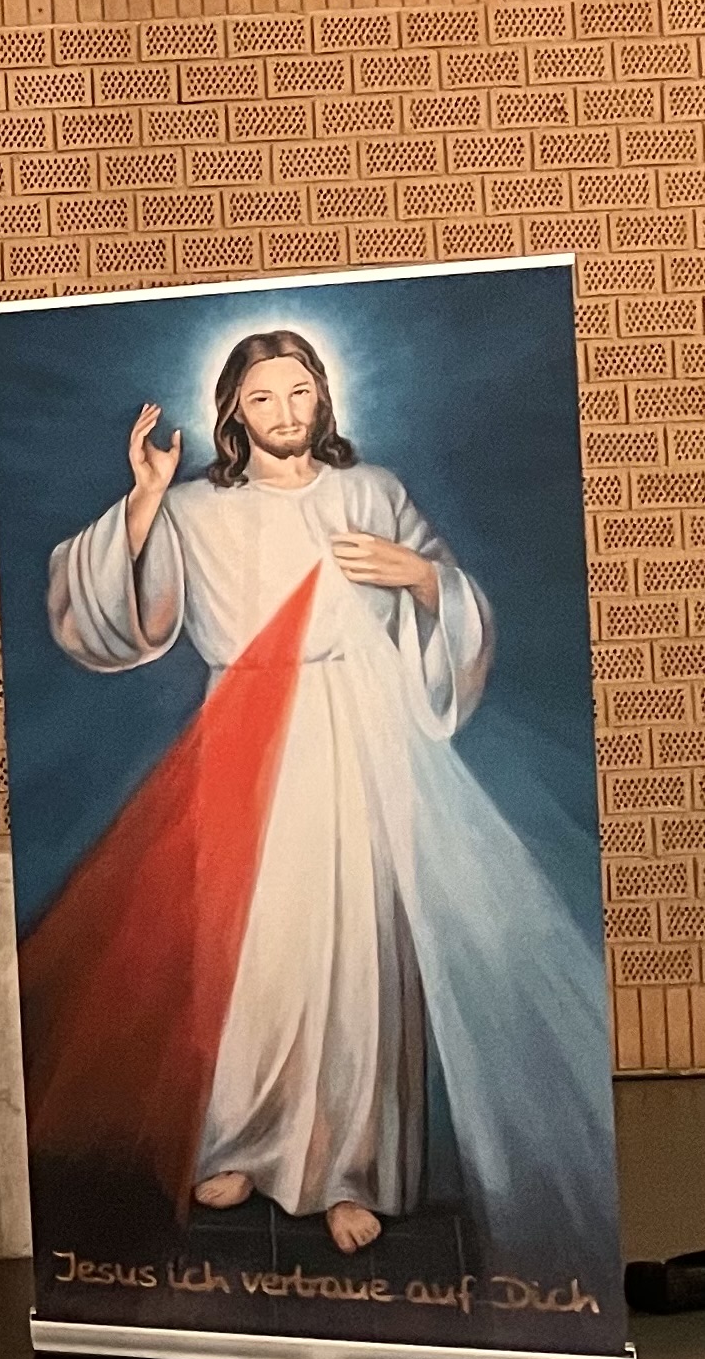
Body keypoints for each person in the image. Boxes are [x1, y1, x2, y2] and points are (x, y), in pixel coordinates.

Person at [36, 326, 603, 1263]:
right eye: (262, 397)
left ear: (323, 396)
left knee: (355, 952)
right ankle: (240, 1144)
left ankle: (350, 1169)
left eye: (298, 391)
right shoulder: (195, 508)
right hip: (242, 737)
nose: (284, 412)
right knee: (253, 948)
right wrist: (142, 502)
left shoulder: (371, 492)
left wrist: (421, 577)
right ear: (233, 410)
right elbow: (113, 617)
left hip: (356, 736)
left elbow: (455, 603)